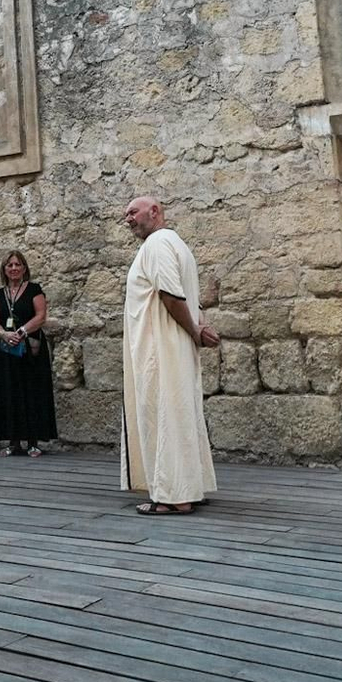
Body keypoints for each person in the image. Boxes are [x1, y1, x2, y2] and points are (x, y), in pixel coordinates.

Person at [120, 196, 220, 515]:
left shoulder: (159, 243)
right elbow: (185, 295)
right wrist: (199, 326)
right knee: (179, 412)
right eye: (126, 215)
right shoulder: (175, 243)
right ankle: (189, 486)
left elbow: (171, 294)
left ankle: (171, 496)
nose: (129, 219)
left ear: (156, 211)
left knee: (162, 413)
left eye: (133, 212)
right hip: (172, 343)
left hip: (160, 346)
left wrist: (194, 329)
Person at [0, 250, 59, 457]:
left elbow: (41, 315)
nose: (13, 268)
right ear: (4, 269)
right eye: (9, 265)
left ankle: (33, 442)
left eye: (17, 264)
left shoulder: (34, 289)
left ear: (24, 268)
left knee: (32, 391)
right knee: (10, 392)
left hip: (30, 348)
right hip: (7, 348)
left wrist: (21, 331)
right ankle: (13, 441)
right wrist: (3, 334)